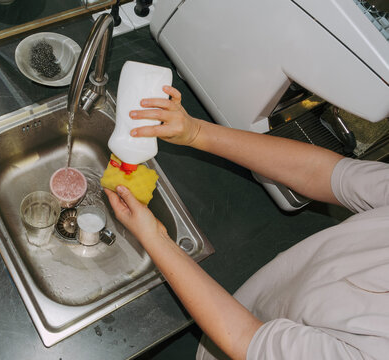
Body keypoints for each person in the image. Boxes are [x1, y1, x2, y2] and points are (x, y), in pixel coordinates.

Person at [103, 86, 389, 360]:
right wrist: (196, 132)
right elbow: (325, 173)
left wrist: (154, 236)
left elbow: (245, 340)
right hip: (247, 307)